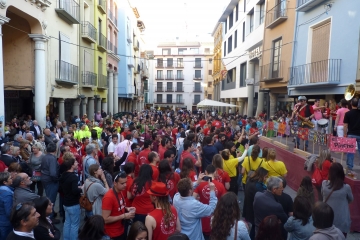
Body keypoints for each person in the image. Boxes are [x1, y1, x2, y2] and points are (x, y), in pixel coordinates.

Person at [193, 165, 226, 239]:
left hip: (203, 218)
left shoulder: (200, 184)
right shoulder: (220, 185)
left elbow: (192, 198)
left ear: (206, 172)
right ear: (215, 172)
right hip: (216, 218)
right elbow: (224, 202)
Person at [321, 162, 353, 237]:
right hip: (341, 221)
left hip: (327, 219)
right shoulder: (346, 188)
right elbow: (351, 200)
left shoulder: (324, 184)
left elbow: (323, 195)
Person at [102, 171, 136, 240]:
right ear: (115, 183)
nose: (125, 185)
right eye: (122, 183)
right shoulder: (109, 197)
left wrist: (127, 209)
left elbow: (117, 206)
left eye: (126, 182)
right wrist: (123, 216)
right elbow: (105, 219)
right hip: (112, 233)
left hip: (121, 229)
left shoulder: (119, 191)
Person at [59, 155, 82, 240]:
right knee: (75, 225)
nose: (77, 163)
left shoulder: (64, 175)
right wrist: (81, 189)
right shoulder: (73, 177)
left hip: (66, 203)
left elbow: (61, 187)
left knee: (67, 223)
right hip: (73, 204)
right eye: (75, 162)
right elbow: (75, 190)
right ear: (72, 165)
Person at [243, 167, 269, 239]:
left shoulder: (250, 181)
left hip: (248, 207)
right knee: (255, 229)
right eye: (265, 176)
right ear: (262, 175)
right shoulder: (258, 186)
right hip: (254, 210)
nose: (266, 179)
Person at [40, 142, 59, 221]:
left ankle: (51, 214)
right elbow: (53, 173)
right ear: (55, 150)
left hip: (45, 179)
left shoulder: (45, 156)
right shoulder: (52, 158)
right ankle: (50, 218)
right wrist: (56, 180)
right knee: (51, 199)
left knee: (49, 197)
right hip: (50, 181)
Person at [343, 97, 360, 171]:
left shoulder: (347, 113)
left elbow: (345, 125)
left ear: (351, 104)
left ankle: (350, 166)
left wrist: (344, 134)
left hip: (351, 134)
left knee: (350, 151)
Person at [0, 172, 13, 239]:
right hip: (5, 223)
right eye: (10, 178)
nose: (12, 179)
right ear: (5, 182)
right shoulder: (7, 193)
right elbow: (9, 212)